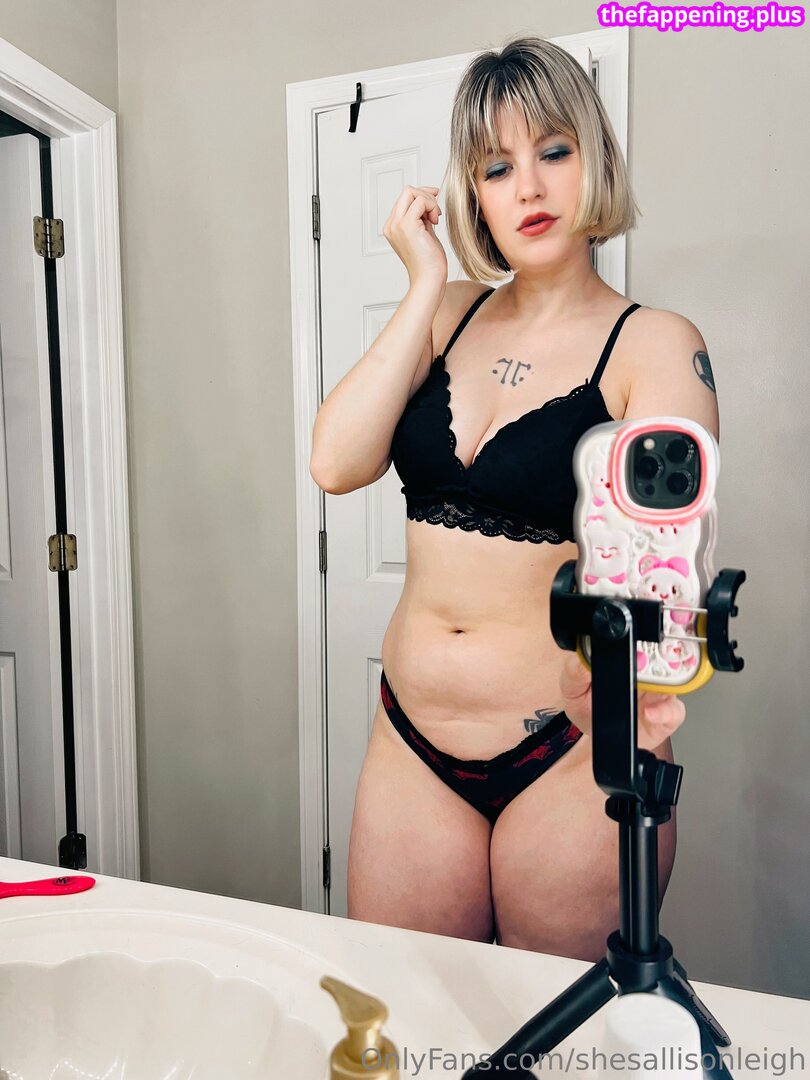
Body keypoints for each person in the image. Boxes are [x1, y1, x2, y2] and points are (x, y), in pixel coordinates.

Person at [310, 34, 720, 962]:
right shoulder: (446, 312)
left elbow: (669, 571)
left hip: (568, 754)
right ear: (473, 192)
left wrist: (636, 688)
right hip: (411, 744)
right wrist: (423, 284)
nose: (528, 188)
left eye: (554, 151)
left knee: (562, 1025)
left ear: (594, 158)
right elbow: (335, 463)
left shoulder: (654, 343)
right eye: (497, 168)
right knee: (411, 1012)